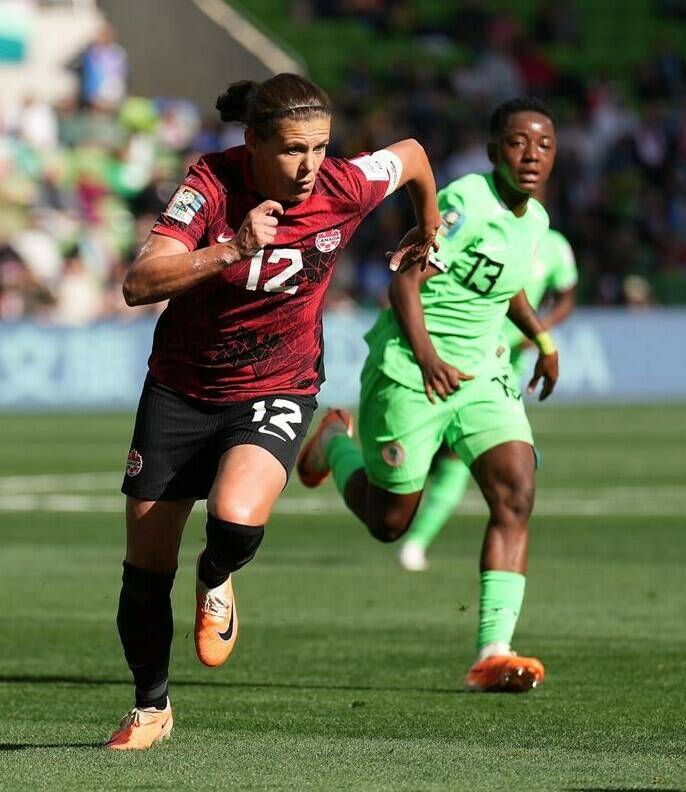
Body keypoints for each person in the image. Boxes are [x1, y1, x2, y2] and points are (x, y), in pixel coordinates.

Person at [106, 73, 439, 750]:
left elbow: (411, 157)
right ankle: (152, 707)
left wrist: (427, 227)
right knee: (145, 568)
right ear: (253, 142)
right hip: (180, 389)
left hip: (277, 384)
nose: (310, 165)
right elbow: (138, 283)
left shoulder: (344, 184)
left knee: (232, 516)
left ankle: (218, 572)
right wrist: (232, 248)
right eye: (292, 150)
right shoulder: (210, 187)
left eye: (319, 147)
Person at [296, 97, 560, 693]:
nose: (531, 155)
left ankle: (493, 650)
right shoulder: (465, 202)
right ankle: (335, 442)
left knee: (516, 493)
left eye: (543, 145)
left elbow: (504, 286)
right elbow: (404, 284)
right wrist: (428, 358)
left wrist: (541, 337)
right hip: (412, 368)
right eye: (518, 142)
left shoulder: (535, 221)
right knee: (390, 522)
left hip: (482, 375)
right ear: (495, 151)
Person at [397, 211, 577, 572]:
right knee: (425, 468)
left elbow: (567, 296)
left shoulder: (556, 246)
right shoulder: (483, 226)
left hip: (508, 360)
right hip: (464, 348)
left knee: (457, 455)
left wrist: (539, 334)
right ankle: (413, 536)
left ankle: (416, 543)